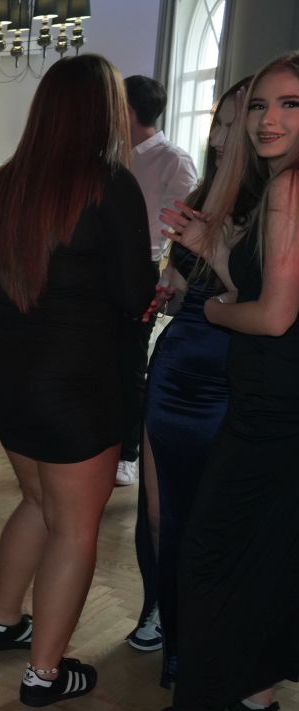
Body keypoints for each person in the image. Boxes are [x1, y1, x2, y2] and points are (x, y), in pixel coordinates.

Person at [113, 53, 299, 711]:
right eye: (259, 106)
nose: (267, 120)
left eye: (289, 104)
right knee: (266, 554)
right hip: (278, 405)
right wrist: (211, 251)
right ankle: (256, 698)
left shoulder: (287, 186)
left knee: (210, 556)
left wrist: (216, 310)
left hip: (269, 407)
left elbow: (273, 316)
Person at [0, 55, 156, 705]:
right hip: (73, 381)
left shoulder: (6, 184)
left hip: (1, 373)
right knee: (75, 526)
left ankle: (2, 623)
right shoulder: (108, 185)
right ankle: (45, 674)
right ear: (104, 111)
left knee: (37, 501)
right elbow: (134, 293)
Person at [128, 77, 253, 675]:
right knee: (159, 514)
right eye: (218, 123)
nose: (221, 137)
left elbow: (266, 303)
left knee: (214, 518)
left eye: (235, 124)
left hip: (237, 376)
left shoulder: (275, 203)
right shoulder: (205, 194)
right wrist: (170, 288)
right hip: (177, 365)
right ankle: (163, 606)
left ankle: (204, 639)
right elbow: (187, 283)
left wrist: (213, 255)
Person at [116, 75, 201, 489]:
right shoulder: (116, 157)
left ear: (129, 111)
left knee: (132, 362)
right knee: (103, 359)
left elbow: (181, 230)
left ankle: (128, 454)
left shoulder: (174, 160)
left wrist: (168, 278)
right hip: (107, 267)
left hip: (144, 269)